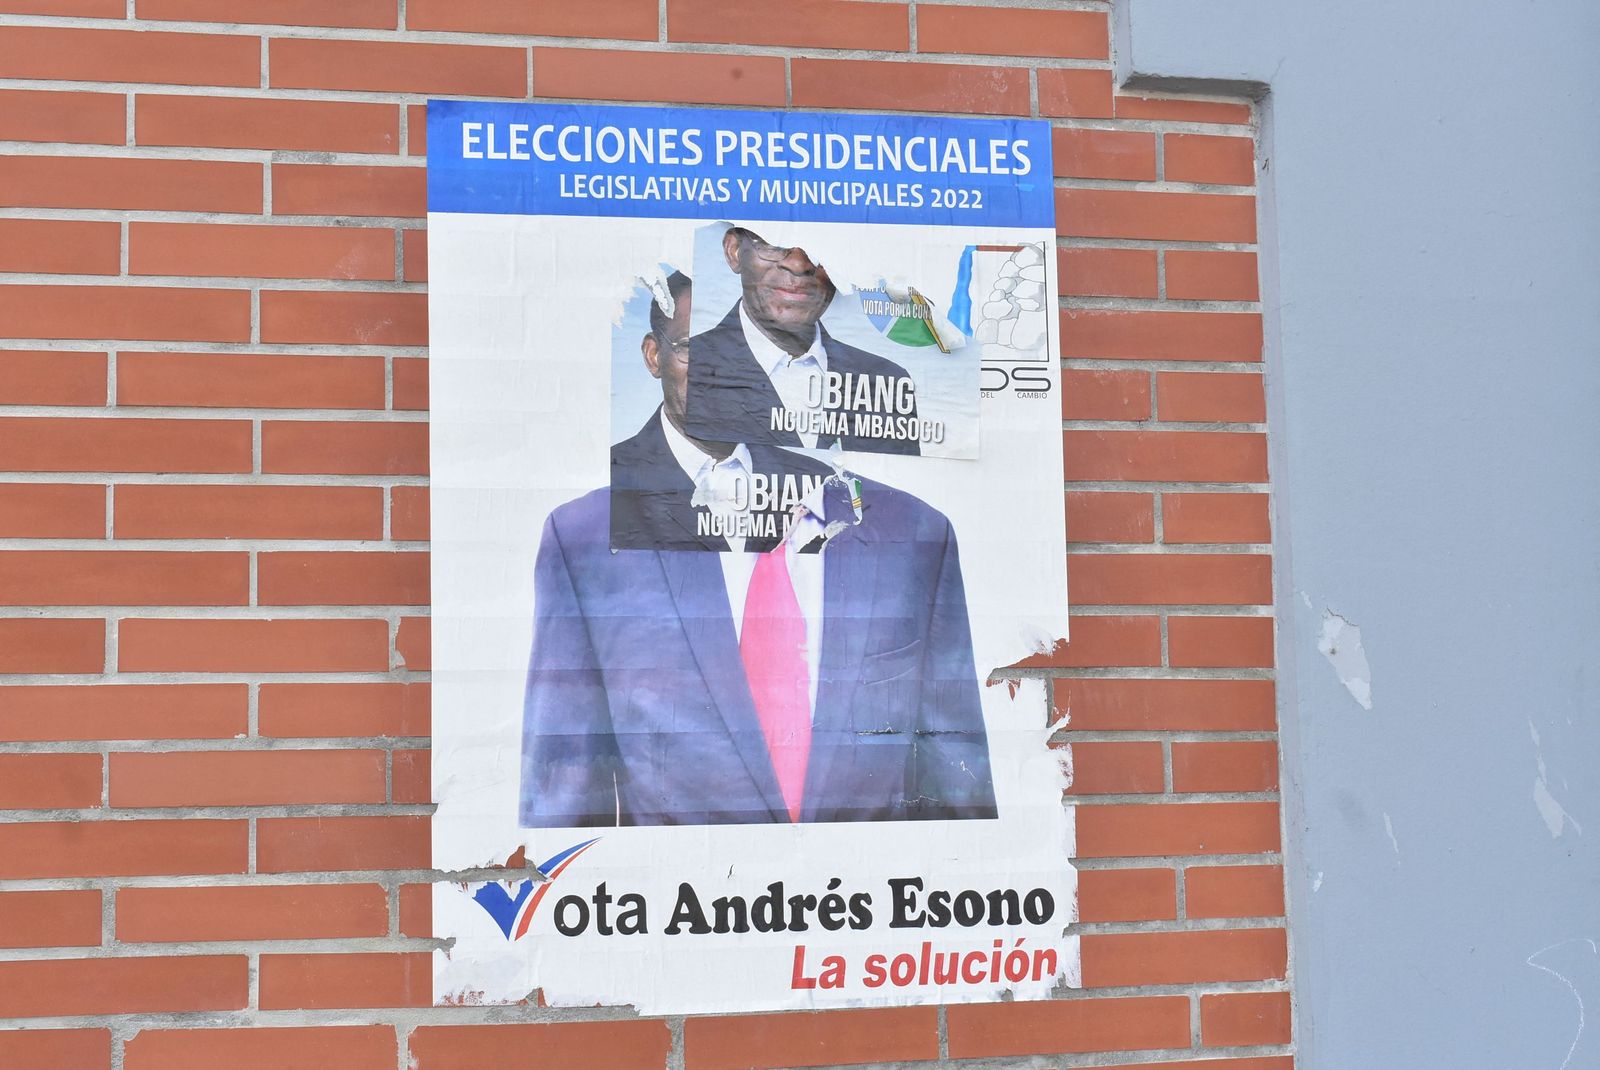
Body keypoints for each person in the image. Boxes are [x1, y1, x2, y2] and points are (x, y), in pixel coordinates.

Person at [519, 273, 994, 827]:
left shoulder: (913, 535)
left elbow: (957, 783)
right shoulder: (584, 540)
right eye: (698, 348)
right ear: (653, 355)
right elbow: (564, 796)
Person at [681, 226, 923, 456]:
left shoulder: (886, 383)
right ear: (734, 251)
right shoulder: (687, 369)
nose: (798, 264)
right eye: (773, 241)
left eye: (823, 245)